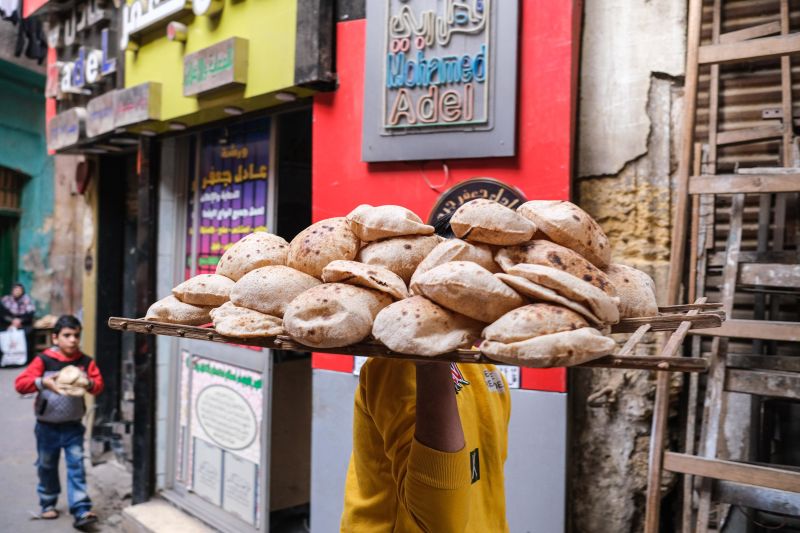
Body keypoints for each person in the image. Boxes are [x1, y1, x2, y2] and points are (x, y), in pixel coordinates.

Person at [340, 213, 512, 532]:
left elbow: (486, 483)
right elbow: (438, 519)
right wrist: (431, 367)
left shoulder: (485, 365)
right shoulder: (398, 366)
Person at [14, 315, 104, 530]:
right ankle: (47, 502)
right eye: (67, 335)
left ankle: (81, 509)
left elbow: (98, 385)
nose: (72, 340)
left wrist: (88, 382)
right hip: (46, 427)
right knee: (46, 465)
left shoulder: (84, 362)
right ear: (55, 338)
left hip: (73, 425)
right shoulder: (44, 360)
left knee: (76, 466)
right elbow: (21, 384)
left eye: (76, 335)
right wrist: (42, 382)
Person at [1, 282, 36, 362]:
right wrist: (12, 322)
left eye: (19, 290)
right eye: (15, 289)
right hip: (8, 323)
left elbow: (30, 314)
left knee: (28, 332)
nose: (17, 291)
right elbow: (3, 315)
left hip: (23, 323)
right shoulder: (6, 300)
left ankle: (27, 359)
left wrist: (20, 321)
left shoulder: (26, 300)